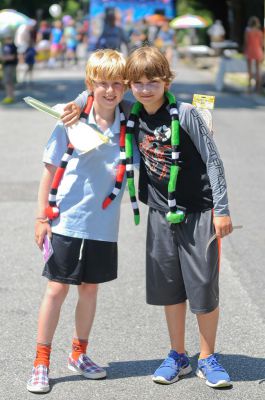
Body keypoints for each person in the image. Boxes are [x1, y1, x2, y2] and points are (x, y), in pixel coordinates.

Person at [65, 46, 233, 389]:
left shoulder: (185, 113)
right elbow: (101, 96)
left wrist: (222, 209)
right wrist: (80, 101)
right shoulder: (133, 111)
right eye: (137, 82)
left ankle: (208, 357)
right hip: (160, 212)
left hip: (198, 211)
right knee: (169, 288)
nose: (144, 88)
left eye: (152, 81)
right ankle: (177, 355)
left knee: (202, 286)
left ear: (166, 81)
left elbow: (214, 161)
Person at [27, 49, 132, 393]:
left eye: (117, 83)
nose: (110, 90)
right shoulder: (72, 119)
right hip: (66, 218)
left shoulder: (128, 121)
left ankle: (79, 353)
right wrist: (41, 216)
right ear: (90, 84)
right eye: (102, 83)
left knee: (90, 289)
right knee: (57, 288)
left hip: (104, 223)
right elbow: (50, 168)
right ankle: (41, 362)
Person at [244, 16, 264, 93]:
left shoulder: (248, 31)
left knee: (250, 70)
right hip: (258, 51)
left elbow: (246, 42)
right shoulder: (260, 32)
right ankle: (257, 87)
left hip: (250, 50)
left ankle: (249, 85)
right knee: (258, 69)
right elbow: (262, 44)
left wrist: (244, 51)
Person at [0, 33, 18, 104]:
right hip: (8, 65)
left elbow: (12, 57)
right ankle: (10, 96)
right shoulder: (7, 46)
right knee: (8, 82)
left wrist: (2, 58)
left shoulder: (11, 46)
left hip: (9, 65)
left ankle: (9, 96)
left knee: (8, 82)